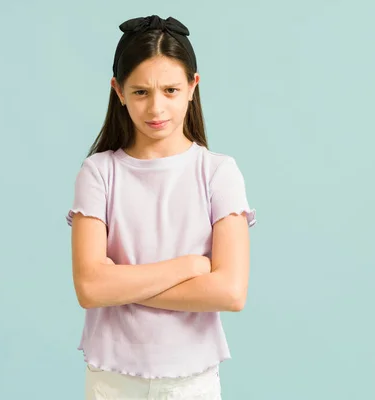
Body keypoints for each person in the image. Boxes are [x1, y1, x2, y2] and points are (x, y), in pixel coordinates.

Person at [66, 14, 257, 400]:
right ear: (118, 91)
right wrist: (189, 268)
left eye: (170, 90)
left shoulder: (218, 173)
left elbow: (230, 291)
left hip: (192, 383)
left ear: (193, 86)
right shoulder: (98, 173)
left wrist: (118, 284)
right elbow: (89, 288)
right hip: (111, 382)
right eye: (140, 92)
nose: (156, 108)